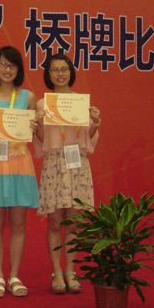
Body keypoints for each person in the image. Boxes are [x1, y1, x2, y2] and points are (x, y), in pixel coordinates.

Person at [0, 46, 38, 298]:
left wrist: (34, 126)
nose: (7, 69)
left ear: (18, 69)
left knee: (19, 224)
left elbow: (35, 131)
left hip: (20, 164)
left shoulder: (29, 97)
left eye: (11, 65)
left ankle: (14, 275)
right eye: (2, 64)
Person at [35, 53, 101, 294]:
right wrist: (37, 124)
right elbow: (41, 141)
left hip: (76, 165)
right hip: (54, 165)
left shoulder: (81, 102)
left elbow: (87, 140)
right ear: (48, 74)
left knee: (73, 223)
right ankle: (56, 272)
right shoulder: (42, 104)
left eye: (64, 69)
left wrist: (94, 123)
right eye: (55, 70)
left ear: (71, 72)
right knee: (55, 223)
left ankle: (71, 270)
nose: (60, 74)